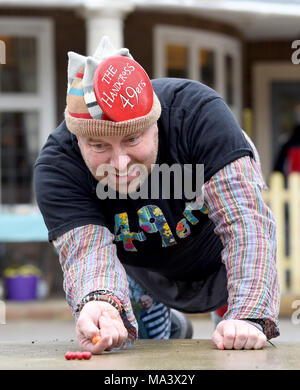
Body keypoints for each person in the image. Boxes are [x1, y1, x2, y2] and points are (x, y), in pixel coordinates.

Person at [34, 36, 280, 354]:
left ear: (155, 124)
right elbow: (87, 252)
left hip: (221, 256)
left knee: (236, 345)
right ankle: (170, 324)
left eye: (133, 139)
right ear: (77, 140)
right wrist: (98, 301)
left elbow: (245, 219)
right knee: (143, 351)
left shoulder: (197, 114)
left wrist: (247, 315)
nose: (119, 164)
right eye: (99, 146)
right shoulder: (58, 167)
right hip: (146, 271)